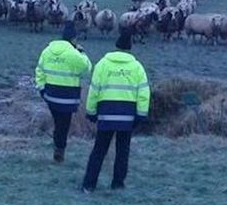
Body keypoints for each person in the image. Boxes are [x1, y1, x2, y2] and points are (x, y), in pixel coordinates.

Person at [81, 31, 150, 192]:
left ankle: (89, 185)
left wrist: (91, 111)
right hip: (127, 116)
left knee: (99, 150)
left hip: (106, 114)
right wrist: (141, 115)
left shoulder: (102, 64)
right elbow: (144, 93)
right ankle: (118, 184)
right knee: (122, 151)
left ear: (116, 47)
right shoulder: (137, 67)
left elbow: (94, 90)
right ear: (130, 49)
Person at [35, 21, 92, 163]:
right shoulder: (73, 53)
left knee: (58, 123)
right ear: (74, 39)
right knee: (63, 125)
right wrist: (82, 51)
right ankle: (59, 150)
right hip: (67, 98)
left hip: (51, 96)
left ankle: (57, 147)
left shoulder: (47, 51)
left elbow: (39, 70)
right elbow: (87, 67)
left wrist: (42, 88)